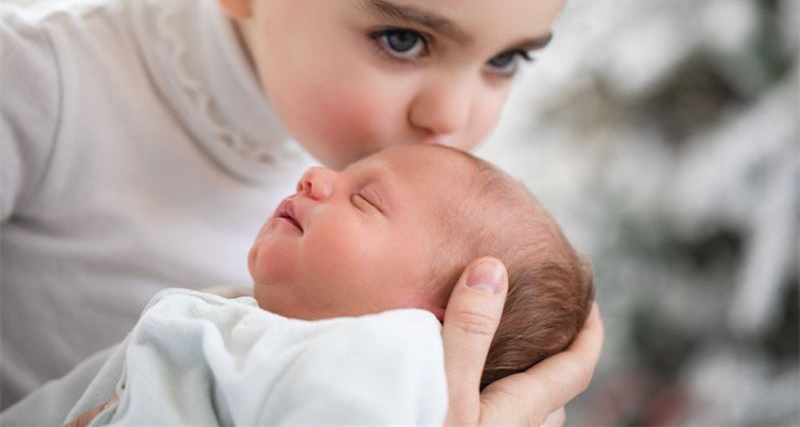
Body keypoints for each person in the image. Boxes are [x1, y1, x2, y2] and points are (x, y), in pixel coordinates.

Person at [0, 0, 604, 423]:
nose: (453, 119)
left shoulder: (386, 165)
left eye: (505, 61)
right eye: (403, 39)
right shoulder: (31, 86)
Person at [7, 143, 592, 425]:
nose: (316, 176)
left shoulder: (382, 367)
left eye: (365, 198)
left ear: (431, 322)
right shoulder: (259, 329)